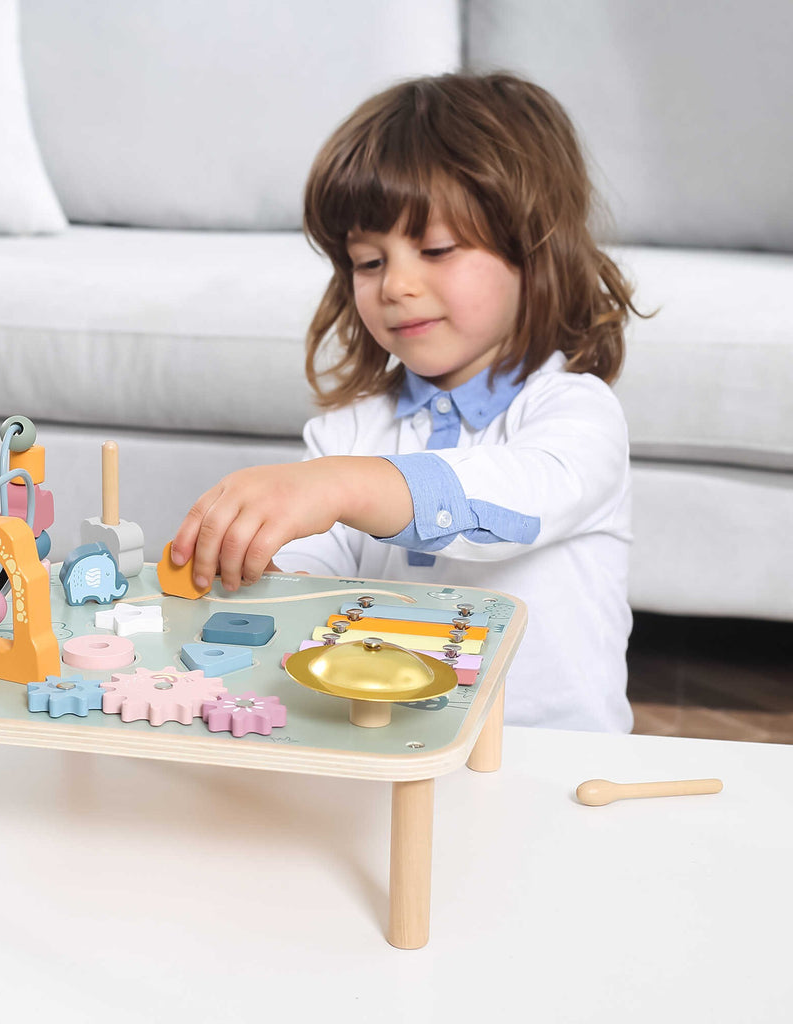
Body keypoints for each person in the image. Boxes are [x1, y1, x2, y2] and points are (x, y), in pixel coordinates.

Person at [169, 72, 645, 732]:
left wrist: (342, 486)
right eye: (369, 262)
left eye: (436, 249)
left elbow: (518, 500)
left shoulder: (573, 411)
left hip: (551, 755)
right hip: (389, 742)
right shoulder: (345, 433)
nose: (395, 285)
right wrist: (260, 561)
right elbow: (313, 583)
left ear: (534, 248)